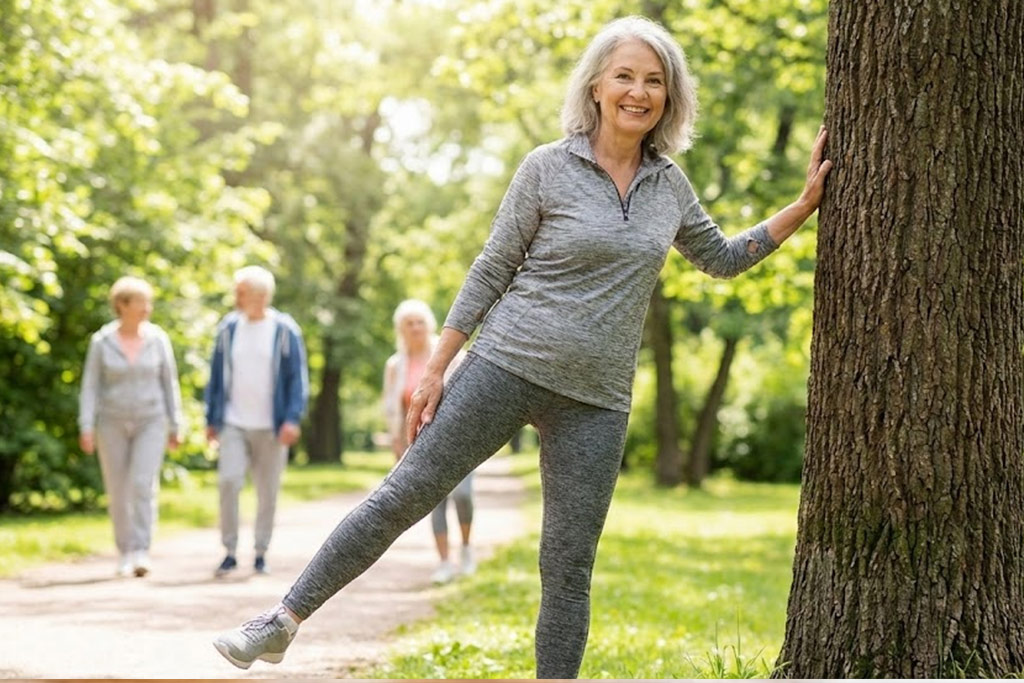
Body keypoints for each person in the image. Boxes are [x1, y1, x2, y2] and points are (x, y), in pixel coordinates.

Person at [213, 15, 832, 677]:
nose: (639, 91)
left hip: (596, 401)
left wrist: (803, 204)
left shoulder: (669, 186)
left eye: (654, 80)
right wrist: (437, 366)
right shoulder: (547, 167)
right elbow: (491, 268)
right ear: (596, 85)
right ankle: (281, 621)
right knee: (402, 495)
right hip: (505, 364)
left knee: (568, 567)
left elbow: (724, 257)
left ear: (669, 97)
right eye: (624, 75)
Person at [204, 265, 309, 578]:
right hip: (233, 421)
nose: (235, 297)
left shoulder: (284, 330)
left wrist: (292, 418)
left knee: (268, 490)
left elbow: (297, 380)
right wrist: (211, 418)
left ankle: (261, 551)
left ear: (260, 296)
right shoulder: (228, 328)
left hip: (272, 425)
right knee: (228, 481)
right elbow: (215, 377)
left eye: (241, 292)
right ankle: (229, 551)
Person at [78, 276, 183, 578]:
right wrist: (86, 425)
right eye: (141, 303)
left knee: (142, 483)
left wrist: (176, 423)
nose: (147, 308)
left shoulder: (158, 339)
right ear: (122, 305)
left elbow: (169, 383)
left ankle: (141, 550)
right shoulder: (102, 342)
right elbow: (90, 387)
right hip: (111, 422)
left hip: (152, 419)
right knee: (118, 488)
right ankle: (124, 551)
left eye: (148, 303)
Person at [383, 299, 475, 584]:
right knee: (435, 501)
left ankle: (467, 548)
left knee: (462, 495)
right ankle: (445, 561)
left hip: (458, 437)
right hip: (420, 441)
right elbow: (392, 406)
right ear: (401, 329)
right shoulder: (395, 364)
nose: (415, 328)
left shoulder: (451, 354)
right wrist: (397, 442)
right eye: (409, 323)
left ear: (429, 325)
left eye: (420, 322)